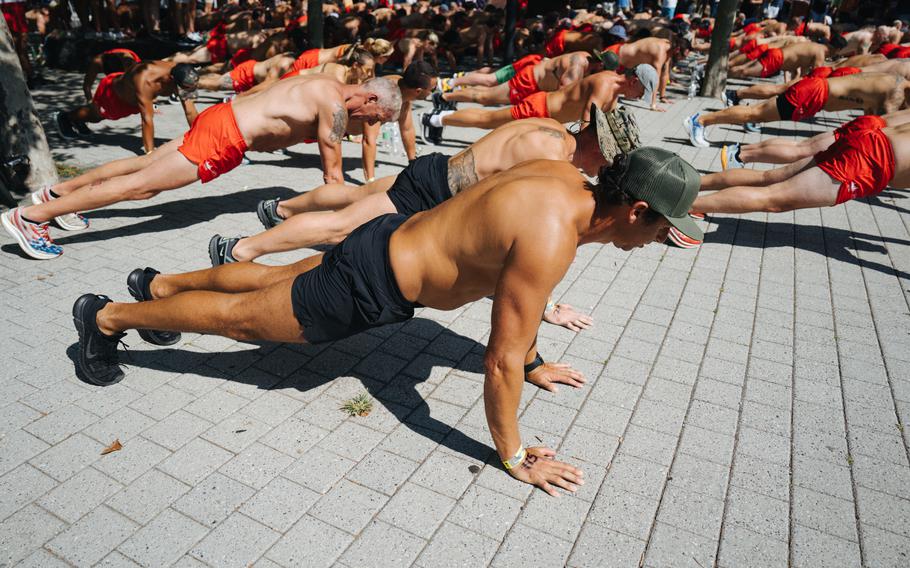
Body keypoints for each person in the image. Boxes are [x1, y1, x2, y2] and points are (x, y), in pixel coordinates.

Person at [70, 149, 702, 497]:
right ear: (635, 210)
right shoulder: (551, 240)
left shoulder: (564, 175)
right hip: (371, 286)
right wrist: (514, 456)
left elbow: (507, 283)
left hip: (388, 237)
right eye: (660, 230)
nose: (658, 243)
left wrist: (535, 361)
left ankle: (158, 286)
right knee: (243, 323)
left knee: (270, 280)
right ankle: (106, 319)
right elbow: (500, 356)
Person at [3, 77, 402, 260]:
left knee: (143, 167)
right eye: (375, 116)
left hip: (221, 115)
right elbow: (332, 178)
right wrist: (348, 227)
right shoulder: (332, 109)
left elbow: (260, 95)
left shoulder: (325, 83)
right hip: (226, 137)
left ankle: (55, 195)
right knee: (142, 187)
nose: (371, 125)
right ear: (368, 97)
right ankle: (31, 216)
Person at [208, 104, 631, 264]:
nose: (602, 170)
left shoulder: (552, 127)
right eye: (607, 160)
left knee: (354, 197)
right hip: (432, 191)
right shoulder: (552, 158)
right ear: (597, 144)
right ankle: (237, 250)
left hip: (435, 168)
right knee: (340, 227)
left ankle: (281, 208)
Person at [688, 118, 908, 216]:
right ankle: (679, 208)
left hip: (871, 137)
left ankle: (687, 186)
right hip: (873, 161)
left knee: (768, 178)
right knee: (773, 199)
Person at [684, 72, 910, 147]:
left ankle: (702, 120)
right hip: (815, 94)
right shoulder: (898, 91)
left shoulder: (894, 81)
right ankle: (700, 120)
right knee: (757, 113)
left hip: (817, 91)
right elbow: (888, 125)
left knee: (758, 112)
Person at [421, 66, 653, 137]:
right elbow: (585, 122)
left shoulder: (614, 92)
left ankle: (438, 117)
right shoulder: (605, 84)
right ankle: (435, 119)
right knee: (487, 120)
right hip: (539, 108)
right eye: (643, 91)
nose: (641, 97)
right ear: (633, 81)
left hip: (549, 118)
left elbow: (609, 122)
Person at [56, 61, 200, 156]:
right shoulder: (146, 80)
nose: (185, 91)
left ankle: (77, 119)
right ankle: (65, 117)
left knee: (94, 116)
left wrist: (200, 138)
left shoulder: (182, 74)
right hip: (114, 96)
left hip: (135, 100)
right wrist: (150, 153)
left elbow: (190, 111)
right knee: (95, 116)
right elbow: (147, 119)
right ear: (171, 79)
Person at [440, 50, 618, 107]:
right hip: (528, 81)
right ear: (601, 66)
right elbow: (565, 91)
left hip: (535, 84)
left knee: (488, 88)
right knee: (486, 95)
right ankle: (446, 93)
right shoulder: (578, 65)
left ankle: (453, 88)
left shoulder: (585, 60)